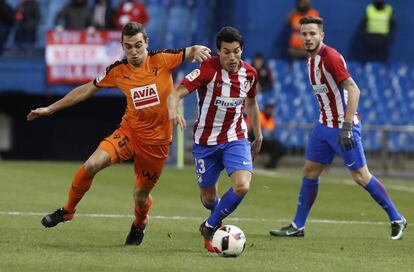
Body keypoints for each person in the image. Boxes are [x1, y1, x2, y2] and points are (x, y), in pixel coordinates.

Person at [27, 22, 211, 246]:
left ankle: (139, 224)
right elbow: (86, 89)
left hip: (157, 143)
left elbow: (188, 51)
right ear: (122, 46)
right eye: (128, 47)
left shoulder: (162, 60)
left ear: (147, 43)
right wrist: (50, 108)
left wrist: (197, 49)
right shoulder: (118, 71)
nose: (134, 52)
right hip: (129, 133)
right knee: (91, 165)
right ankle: (67, 210)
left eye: (138, 46)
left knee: (140, 196)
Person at [269, 16, 407, 240]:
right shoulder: (310, 59)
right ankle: (298, 225)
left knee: (361, 176)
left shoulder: (330, 57)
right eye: (304, 34)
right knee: (310, 171)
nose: (308, 38)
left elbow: (354, 90)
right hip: (324, 126)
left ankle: (396, 218)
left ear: (321, 35)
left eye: (312, 34)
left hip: (343, 127)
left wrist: (346, 127)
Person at [167, 26, 263, 252]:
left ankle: (209, 227)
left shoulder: (249, 74)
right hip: (206, 143)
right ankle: (215, 218)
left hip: (235, 138)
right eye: (226, 52)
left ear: (242, 50)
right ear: (218, 52)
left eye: (236, 51)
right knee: (208, 199)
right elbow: (175, 92)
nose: (232, 57)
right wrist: (173, 111)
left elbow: (251, 103)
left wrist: (257, 135)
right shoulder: (206, 70)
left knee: (242, 186)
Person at [257, 101, 286, 169]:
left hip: (266, 140)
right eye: (269, 108)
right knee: (276, 144)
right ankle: (272, 164)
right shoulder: (260, 115)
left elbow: (270, 131)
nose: (270, 110)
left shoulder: (271, 119)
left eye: (272, 108)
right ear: (265, 108)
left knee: (281, 148)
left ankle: (271, 164)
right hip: (257, 138)